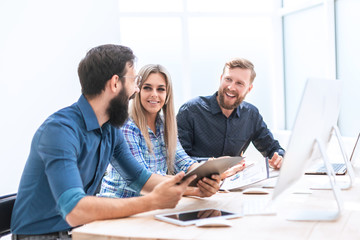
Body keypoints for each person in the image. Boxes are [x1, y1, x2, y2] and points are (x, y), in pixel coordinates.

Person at [10, 45, 220, 239]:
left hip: (82, 229)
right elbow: (75, 210)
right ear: (115, 83)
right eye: (135, 81)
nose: (136, 90)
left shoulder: (110, 129)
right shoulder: (60, 130)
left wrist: (192, 189)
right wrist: (152, 201)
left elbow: (141, 179)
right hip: (43, 235)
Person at [100, 64, 239, 198]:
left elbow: (184, 163)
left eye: (161, 89)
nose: (154, 94)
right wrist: (195, 190)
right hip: (119, 204)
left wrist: (210, 174)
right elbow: (145, 180)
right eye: (147, 88)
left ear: (167, 95)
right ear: (138, 91)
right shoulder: (126, 126)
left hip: (149, 205)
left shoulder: (165, 125)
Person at [176, 58, 284, 169]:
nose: (231, 87)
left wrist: (279, 157)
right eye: (228, 79)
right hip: (196, 182)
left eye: (239, 83)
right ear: (221, 78)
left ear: (249, 89)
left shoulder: (251, 114)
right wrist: (212, 162)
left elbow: (273, 148)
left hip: (234, 183)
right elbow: (177, 160)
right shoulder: (190, 110)